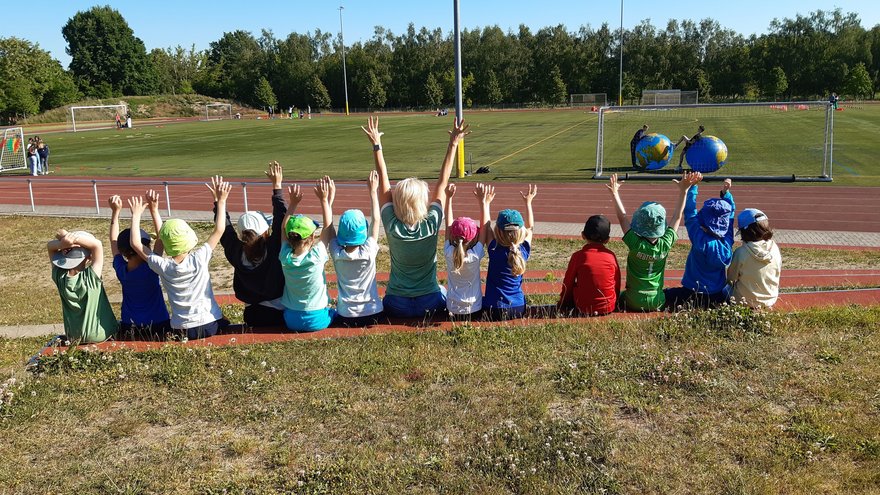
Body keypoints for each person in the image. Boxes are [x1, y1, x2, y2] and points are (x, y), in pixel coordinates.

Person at [361, 116, 469, 319]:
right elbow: (442, 182)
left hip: (395, 303)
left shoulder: (392, 225)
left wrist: (377, 145)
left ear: (397, 202)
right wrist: (453, 143)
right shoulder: (431, 223)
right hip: (430, 302)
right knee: (444, 291)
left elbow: (383, 182)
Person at [127, 176, 229, 340]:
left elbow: (135, 243)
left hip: (181, 329)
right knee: (226, 322)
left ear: (167, 246)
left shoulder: (163, 266)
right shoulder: (200, 257)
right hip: (209, 323)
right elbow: (219, 229)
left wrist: (138, 214)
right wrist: (221, 201)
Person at [608, 172, 695, 312]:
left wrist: (614, 193)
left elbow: (622, 218)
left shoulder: (635, 243)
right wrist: (684, 191)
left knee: (618, 297)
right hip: (657, 300)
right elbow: (677, 216)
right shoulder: (666, 243)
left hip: (632, 298)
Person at [216, 162, 288, 327]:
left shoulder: (235, 251)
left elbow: (224, 230)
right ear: (265, 231)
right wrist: (277, 187)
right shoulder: (273, 247)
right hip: (277, 313)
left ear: (242, 234)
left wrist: (219, 202)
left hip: (251, 316)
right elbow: (281, 219)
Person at [664, 175, 736, 310]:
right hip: (716, 293)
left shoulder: (699, 239)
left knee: (667, 294)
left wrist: (693, 187)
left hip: (691, 291)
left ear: (704, 218)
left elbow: (690, 213)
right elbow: (730, 216)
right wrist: (726, 194)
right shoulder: (727, 240)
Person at [326, 171, 385, 327]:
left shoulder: (336, 253)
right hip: (374, 313)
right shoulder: (369, 250)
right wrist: (373, 191)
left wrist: (328, 202)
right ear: (363, 232)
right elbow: (376, 219)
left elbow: (328, 227)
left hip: (346, 315)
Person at [108, 192, 171, 338]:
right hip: (159, 324)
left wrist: (115, 212)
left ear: (123, 253)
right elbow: (161, 238)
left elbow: (113, 241)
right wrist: (154, 210)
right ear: (146, 247)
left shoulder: (121, 270)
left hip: (130, 326)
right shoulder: (153, 268)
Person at [278, 177, 336, 332]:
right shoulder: (316, 256)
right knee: (337, 313)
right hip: (317, 319)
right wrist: (325, 200)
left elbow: (282, 228)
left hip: (291, 320)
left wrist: (293, 204)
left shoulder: (285, 256)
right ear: (311, 238)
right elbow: (328, 228)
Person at [47, 229, 119, 343]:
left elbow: (50, 246)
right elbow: (97, 245)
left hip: (73, 336)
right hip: (98, 335)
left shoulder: (59, 276)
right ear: (89, 257)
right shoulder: (91, 277)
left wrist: (62, 243)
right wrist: (66, 236)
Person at [483, 185, 537, 320]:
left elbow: (486, 227)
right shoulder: (523, 250)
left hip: (494, 308)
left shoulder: (494, 249)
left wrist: (485, 203)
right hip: (519, 307)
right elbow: (530, 227)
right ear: (521, 232)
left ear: (498, 231)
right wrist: (528, 202)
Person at [444, 182, 493, 320]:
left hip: (452, 309)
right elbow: (484, 227)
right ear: (474, 238)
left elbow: (448, 224)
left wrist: (449, 198)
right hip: (474, 308)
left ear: (452, 236)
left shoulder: (448, 252)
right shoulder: (475, 255)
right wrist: (483, 202)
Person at [557, 215, 621, 316]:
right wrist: (615, 301)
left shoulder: (578, 256)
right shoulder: (611, 256)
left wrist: (563, 302)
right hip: (608, 307)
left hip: (583, 307)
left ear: (583, 235)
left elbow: (568, 282)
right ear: (607, 240)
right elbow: (616, 282)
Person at [727, 208, 782, 308]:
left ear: (744, 232)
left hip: (744, 301)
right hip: (770, 299)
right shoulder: (774, 248)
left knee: (724, 289)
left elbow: (731, 278)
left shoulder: (741, 252)